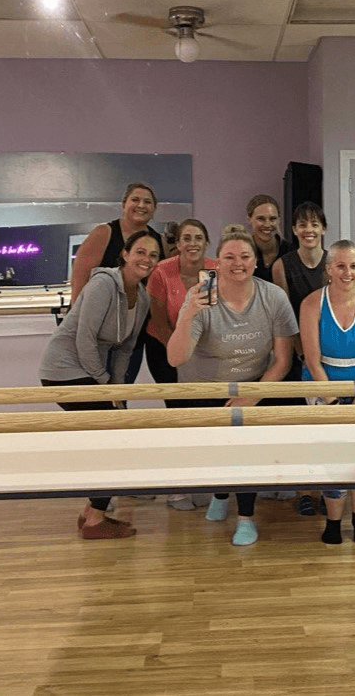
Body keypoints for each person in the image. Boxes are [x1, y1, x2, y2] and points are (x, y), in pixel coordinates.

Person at [167, 225, 298, 546]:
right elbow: (175, 358)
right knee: (219, 453)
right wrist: (188, 314)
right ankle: (222, 493)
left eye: (245, 256)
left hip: (250, 386)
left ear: (256, 261)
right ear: (217, 262)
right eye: (229, 257)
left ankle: (245, 518)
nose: (238, 263)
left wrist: (252, 396)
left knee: (246, 450)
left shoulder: (273, 297)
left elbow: (283, 360)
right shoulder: (200, 297)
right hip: (206, 388)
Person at [39, 231, 161, 539]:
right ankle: (95, 517)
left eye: (153, 255)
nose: (146, 259)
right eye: (140, 252)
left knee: (113, 435)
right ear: (125, 254)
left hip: (89, 372)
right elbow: (85, 339)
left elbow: (125, 348)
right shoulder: (103, 284)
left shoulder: (142, 298)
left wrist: (116, 390)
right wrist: (105, 383)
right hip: (64, 370)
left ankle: (91, 513)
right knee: (116, 438)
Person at [300, 240, 355, 545]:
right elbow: (312, 359)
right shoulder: (312, 303)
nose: (347, 273)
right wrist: (331, 399)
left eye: (353, 266)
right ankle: (333, 521)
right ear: (328, 269)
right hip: (323, 381)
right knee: (333, 453)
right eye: (340, 266)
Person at [146, 218, 217, 511]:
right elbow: (158, 320)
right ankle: (176, 489)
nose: (192, 243)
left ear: (206, 242)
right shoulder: (162, 271)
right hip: (165, 350)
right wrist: (179, 356)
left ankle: (205, 483)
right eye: (186, 238)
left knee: (204, 419)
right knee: (178, 419)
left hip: (203, 355)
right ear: (177, 243)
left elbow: (218, 315)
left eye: (198, 237)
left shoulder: (214, 269)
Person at [70, 182, 165, 385]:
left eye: (147, 202)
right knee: (95, 390)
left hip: (131, 335)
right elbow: (79, 281)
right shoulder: (104, 233)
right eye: (135, 200)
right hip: (97, 333)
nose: (141, 205)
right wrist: (80, 326)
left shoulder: (158, 240)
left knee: (121, 389)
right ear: (123, 204)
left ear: (154, 208)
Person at [272, 202, 328, 516]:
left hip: (332, 353)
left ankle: (331, 488)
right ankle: (305, 490)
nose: (309, 230)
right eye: (302, 225)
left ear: (323, 228)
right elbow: (285, 316)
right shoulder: (282, 265)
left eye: (314, 224)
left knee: (330, 425)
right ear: (294, 230)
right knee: (302, 425)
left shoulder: (334, 262)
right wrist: (304, 354)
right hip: (298, 353)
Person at [246, 194, 291, 282]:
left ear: (279, 220)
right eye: (261, 219)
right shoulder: (241, 253)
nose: (267, 224)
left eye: (272, 219)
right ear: (249, 219)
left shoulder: (291, 252)